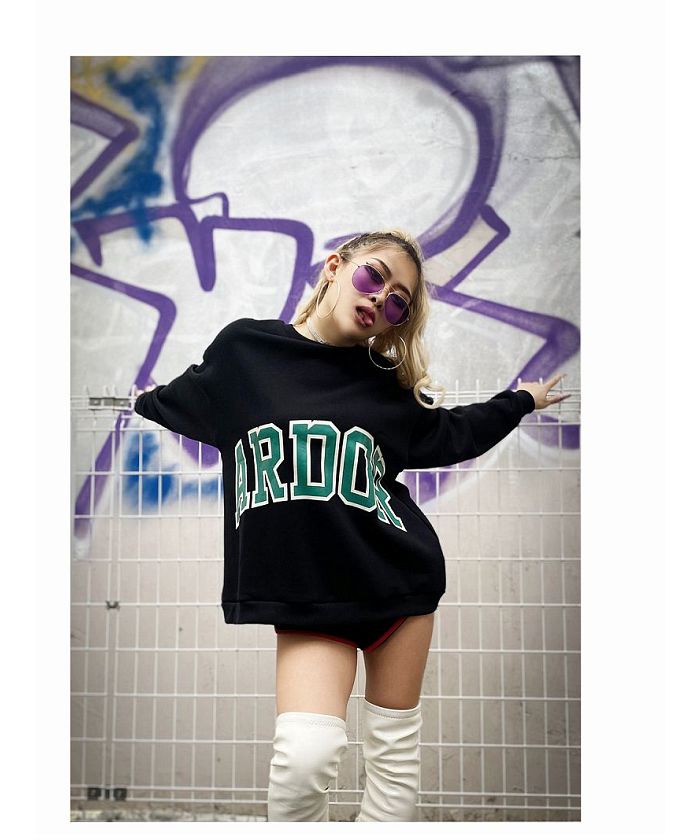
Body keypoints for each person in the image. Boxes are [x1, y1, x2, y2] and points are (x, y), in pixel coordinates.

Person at [133, 229, 569, 822]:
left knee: (393, 763)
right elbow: (184, 401)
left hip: (397, 586)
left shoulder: (386, 385)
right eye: (373, 277)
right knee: (305, 758)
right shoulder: (246, 351)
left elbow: (451, 434)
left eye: (397, 303)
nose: (380, 299)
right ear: (336, 267)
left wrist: (520, 402)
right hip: (311, 595)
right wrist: (134, 401)